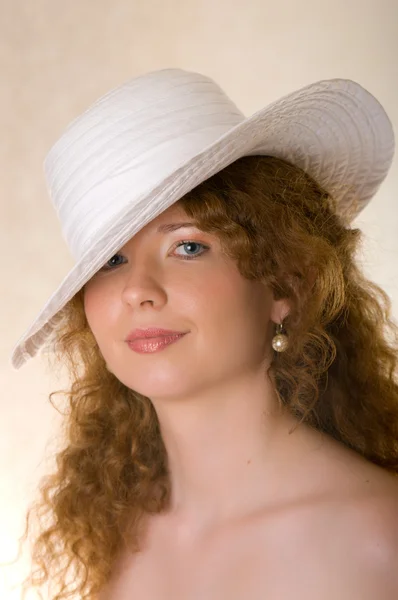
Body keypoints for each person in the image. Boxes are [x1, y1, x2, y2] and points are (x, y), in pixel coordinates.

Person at [11, 69, 398, 600]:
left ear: (285, 283)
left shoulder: (378, 543)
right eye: (111, 260)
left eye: (188, 247)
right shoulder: (116, 536)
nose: (137, 290)